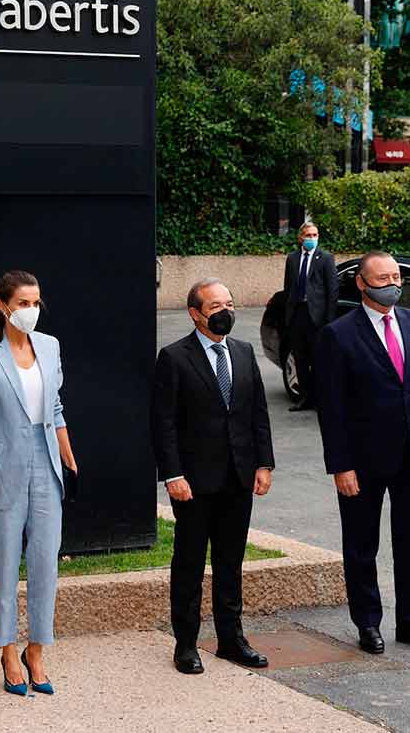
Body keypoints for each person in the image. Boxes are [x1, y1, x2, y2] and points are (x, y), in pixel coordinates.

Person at [314, 251, 410, 656]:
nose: (392, 284)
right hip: (362, 460)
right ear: (361, 283)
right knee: (361, 545)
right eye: (382, 277)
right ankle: (368, 623)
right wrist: (340, 464)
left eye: (396, 277)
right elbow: (331, 408)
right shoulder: (337, 335)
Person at [0, 270, 77, 696]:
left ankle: (37, 649)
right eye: (23, 303)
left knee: (46, 561)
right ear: (3, 305)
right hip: (1, 465)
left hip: (46, 463)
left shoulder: (49, 346)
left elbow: (56, 406)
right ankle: (8, 651)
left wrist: (67, 453)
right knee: (6, 561)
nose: (31, 310)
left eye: (36, 302)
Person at [151, 278, 275, 675]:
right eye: (216, 306)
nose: (226, 312)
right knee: (189, 563)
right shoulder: (173, 357)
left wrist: (263, 463)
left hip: (238, 477)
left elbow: (257, 411)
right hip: (193, 482)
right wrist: (172, 474)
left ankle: (231, 640)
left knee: (230, 561)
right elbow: (163, 423)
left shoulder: (243, 351)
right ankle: (186, 644)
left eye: (230, 304)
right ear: (195, 313)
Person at [282, 221, 338, 411]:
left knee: (319, 360)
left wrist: (329, 320)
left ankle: (322, 399)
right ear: (300, 238)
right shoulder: (292, 258)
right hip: (298, 314)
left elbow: (333, 290)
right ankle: (305, 398)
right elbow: (288, 288)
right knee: (300, 358)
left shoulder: (326, 258)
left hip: (317, 317)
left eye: (315, 235)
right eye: (308, 236)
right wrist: (287, 317)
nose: (312, 239)